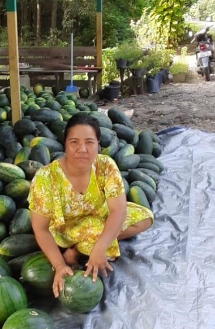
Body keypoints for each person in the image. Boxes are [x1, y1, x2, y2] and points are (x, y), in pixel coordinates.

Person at [28, 113, 154, 297]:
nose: (82, 149)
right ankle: (78, 246)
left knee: (145, 218)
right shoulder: (46, 178)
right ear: (65, 144)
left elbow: (118, 210)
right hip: (66, 229)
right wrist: (59, 265)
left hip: (101, 216)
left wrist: (100, 247)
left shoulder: (106, 165)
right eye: (74, 142)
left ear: (98, 145)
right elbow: (41, 229)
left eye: (89, 142)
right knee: (98, 230)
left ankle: (80, 248)